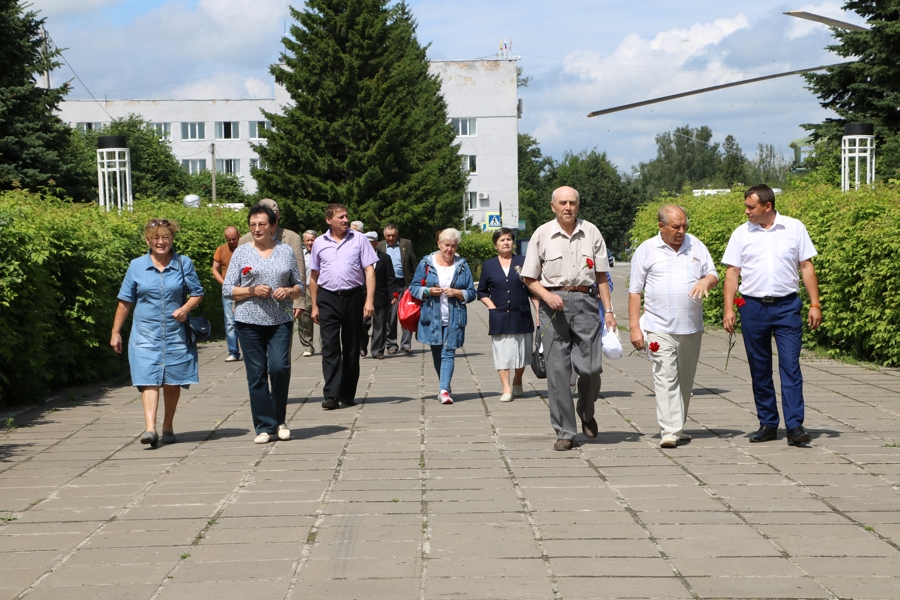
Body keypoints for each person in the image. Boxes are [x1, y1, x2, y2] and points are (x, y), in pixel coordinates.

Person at [722, 184, 822, 446]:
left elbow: (806, 266)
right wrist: (729, 308)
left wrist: (815, 304)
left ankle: (795, 426)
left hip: (787, 306)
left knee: (790, 365)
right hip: (753, 307)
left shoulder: (794, 228)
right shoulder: (741, 234)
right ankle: (768, 423)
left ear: (767, 206)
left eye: (751, 207)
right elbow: (732, 272)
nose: (746, 212)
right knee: (760, 368)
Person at [522, 186, 616, 451]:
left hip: (586, 303)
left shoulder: (591, 232)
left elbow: (601, 276)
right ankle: (565, 430)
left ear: (578, 205)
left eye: (572, 203)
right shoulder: (542, 234)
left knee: (591, 368)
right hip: (553, 305)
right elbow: (529, 277)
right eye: (562, 203)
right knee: (558, 372)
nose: (568, 207)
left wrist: (608, 311)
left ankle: (586, 410)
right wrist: (546, 296)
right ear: (553, 206)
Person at [628, 205, 719, 449]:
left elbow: (713, 275)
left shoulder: (696, 245)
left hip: (690, 326)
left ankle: (677, 426)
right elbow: (635, 291)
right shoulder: (646, 250)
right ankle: (669, 431)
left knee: (686, 382)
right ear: (661, 226)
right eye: (675, 227)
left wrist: (705, 281)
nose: (681, 231)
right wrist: (635, 328)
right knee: (665, 376)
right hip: (659, 326)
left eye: (684, 226)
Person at [110, 218, 204, 448]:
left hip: (175, 333)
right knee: (148, 379)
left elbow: (197, 293)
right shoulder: (136, 266)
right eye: (155, 238)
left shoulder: (184, 263)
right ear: (147, 240)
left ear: (172, 239)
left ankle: (168, 426)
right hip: (145, 333)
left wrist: (185, 308)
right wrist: (116, 332)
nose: (161, 242)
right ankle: (150, 428)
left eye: (165, 237)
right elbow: (125, 301)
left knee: (172, 380)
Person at [223, 205, 303, 444]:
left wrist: (288, 290)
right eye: (252, 225)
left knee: (279, 369)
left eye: (262, 224)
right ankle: (264, 426)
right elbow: (228, 289)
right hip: (248, 321)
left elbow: (298, 285)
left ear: (273, 226)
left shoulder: (286, 251)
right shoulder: (241, 252)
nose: (257, 229)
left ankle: (280, 420)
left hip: (280, 320)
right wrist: (251, 290)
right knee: (256, 374)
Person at [309, 204, 378, 410]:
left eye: (347, 216)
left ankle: (347, 393)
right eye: (341, 217)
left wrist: (369, 301)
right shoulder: (320, 243)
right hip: (328, 298)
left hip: (353, 297)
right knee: (330, 347)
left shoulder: (359, 239)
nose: (346, 220)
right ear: (329, 220)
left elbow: (369, 271)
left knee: (351, 347)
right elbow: (314, 276)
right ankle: (331, 394)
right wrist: (314, 305)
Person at [409, 228, 476, 405]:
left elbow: (472, 292)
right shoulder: (426, 263)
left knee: (448, 352)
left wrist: (458, 293)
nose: (450, 250)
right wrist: (428, 291)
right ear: (439, 244)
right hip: (432, 318)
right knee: (437, 354)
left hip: (455, 317)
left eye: (453, 246)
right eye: (446, 245)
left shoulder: (462, 265)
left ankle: (444, 390)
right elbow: (413, 288)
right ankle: (444, 385)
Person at [477, 227, 537, 402]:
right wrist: (492, 306)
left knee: (522, 353)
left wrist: (538, 313)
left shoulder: (523, 261)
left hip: (521, 315)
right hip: (500, 316)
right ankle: (506, 388)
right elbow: (481, 292)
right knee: (502, 353)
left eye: (509, 239)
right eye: (502, 240)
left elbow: (533, 289)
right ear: (496, 244)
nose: (506, 242)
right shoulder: (489, 265)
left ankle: (517, 381)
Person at [238, 199, 306, 318]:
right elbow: (237, 279)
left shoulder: (292, 238)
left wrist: (299, 302)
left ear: (278, 215)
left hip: (282, 307)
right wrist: (236, 305)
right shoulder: (245, 240)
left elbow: (299, 274)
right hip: (250, 308)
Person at [378, 224, 417, 355]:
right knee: (391, 316)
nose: (391, 238)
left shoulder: (407, 243)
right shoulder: (380, 246)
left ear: (397, 234)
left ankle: (406, 344)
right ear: (384, 235)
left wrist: (416, 282)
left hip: (404, 283)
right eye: (388, 235)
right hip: (389, 285)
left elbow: (413, 263)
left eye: (393, 235)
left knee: (407, 314)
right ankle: (391, 344)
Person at [361, 231, 401, 359]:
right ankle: (362, 346)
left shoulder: (384, 258)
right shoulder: (357, 257)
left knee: (380, 325)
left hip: (380, 296)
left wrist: (393, 295)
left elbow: (390, 279)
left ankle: (377, 350)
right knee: (362, 324)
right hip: (361, 297)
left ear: (376, 244)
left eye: (371, 243)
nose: (368, 245)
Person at [212, 225, 241, 362]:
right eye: (228, 239)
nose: (231, 242)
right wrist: (224, 284)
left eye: (233, 239)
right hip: (228, 291)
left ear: (239, 235)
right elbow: (214, 269)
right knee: (230, 322)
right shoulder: (221, 249)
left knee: (247, 321)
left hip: (245, 290)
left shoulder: (246, 248)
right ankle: (233, 352)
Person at [298, 230, 317, 357]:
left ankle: (326, 346)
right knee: (304, 319)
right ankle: (308, 347)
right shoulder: (299, 255)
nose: (310, 242)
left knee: (323, 318)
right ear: (303, 241)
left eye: (312, 240)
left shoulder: (321, 253)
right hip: (304, 288)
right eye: (308, 240)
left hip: (319, 288)